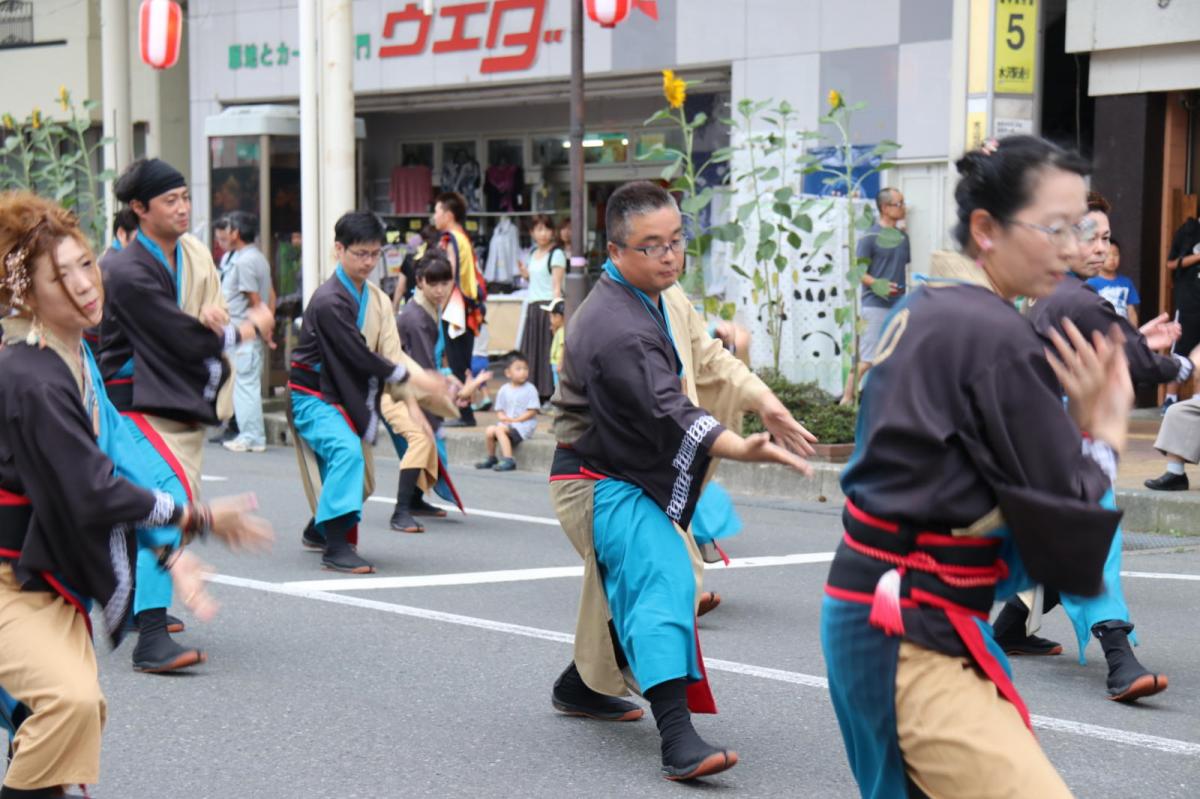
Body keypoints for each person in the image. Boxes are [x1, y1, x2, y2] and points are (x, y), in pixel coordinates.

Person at [823, 136, 1132, 798]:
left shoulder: (928, 305)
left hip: (877, 608)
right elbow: (1063, 516)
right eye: (1056, 228)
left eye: (1081, 229)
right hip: (911, 628)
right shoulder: (993, 332)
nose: (1073, 249)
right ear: (987, 229)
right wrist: (1101, 431)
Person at [0, 191, 273, 798]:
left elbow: (114, 457)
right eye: (59, 276)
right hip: (9, 580)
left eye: (84, 264)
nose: (83, 284)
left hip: (39, 576)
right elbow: (92, 489)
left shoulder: (73, 357)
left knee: (70, 720)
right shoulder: (31, 374)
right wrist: (196, 517)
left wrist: (170, 547)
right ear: (25, 292)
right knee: (65, 706)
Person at [547, 181, 815, 781]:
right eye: (652, 246)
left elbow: (710, 357)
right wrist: (740, 447)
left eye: (676, 241)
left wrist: (764, 400)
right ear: (616, 251)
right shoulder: (614, 328)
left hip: (630, 467)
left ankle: (581, 684)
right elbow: (668, 409)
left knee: (640, 583)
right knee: (665, 574)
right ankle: (676, 737)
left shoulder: (661, 294)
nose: (670, 256)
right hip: (595, 478)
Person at [992, 192, 1181, 701]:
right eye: (1090, 236)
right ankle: (1119, 656)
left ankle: (1010, 627)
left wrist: (1137, 341)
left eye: (1105, 238)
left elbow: (1109, 349)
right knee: (1092, 534)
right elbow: (1126, 359)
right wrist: (1181, 364)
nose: (1101, 247)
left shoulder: (1063, 292)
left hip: (1053, 434)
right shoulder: (1066, 294)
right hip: (1049, 438)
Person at [97, 158, 274, 673]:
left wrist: (208, 319)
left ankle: (137, 607)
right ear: (138, 208)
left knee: (154, 507)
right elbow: (174, 335)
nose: (182, 208)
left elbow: (183, 322)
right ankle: (151, 636)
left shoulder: (183, 254)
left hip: (166, 397)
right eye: (169, 200)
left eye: (185, 198)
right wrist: (245, 327)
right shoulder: (126, 268)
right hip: (129, 402)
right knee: (166, 500)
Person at [287, 211, 449, 574]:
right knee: (347, 455)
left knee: (361, 480)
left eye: (375, 254)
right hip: (313, 395)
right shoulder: (328, 300)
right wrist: (417, 380)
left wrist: (418, 395)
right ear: (339, 250)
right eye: (360, 253)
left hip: (346, 392)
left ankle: (319, 530)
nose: (369, 262)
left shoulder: (376, 298)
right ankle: (336, 548)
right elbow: (358, 355)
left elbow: (392, 353)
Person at [383, 251, 478, 534]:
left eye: (445, 283)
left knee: (426, 443)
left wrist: (449, 381)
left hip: (411, 385)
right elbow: (423, 369)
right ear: (420, 281)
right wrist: (450, 390)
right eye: (433, 283)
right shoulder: (415, 317)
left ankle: (413, 500)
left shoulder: (427, 309)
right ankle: (400, 511)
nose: (440, 290)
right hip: (395, 389)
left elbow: (427, 367)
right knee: (421, 440)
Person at [840, 187, 910, 405]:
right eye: (899, 204)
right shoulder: (870, 237)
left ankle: (885, 403)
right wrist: (878, 285)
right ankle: (846, 401)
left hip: (899, 304)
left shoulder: (903, 237)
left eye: (903, 203)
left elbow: (902, 267)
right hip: (875, 305)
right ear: (884, 208)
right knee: (867, 358)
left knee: (894, 357)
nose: (903, 208)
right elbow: (858, 272)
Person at [221, 211, 275, 454]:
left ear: (236, 233)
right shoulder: (256, 257)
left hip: (245, 333)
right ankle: (251, 435)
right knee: (246, 384)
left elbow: (254, 299)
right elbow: (270, 295)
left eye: (229, 229)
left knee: (245, 386)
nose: (226, 233)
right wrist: (267, 328)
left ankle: (251, 437)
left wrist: (261, 328)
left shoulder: (244, 261)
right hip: (247, 333)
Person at [433, 191, 484, 428]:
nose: (434, 216)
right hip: (466, 307)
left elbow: (449, 275)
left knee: (457, 361)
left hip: (455, 307)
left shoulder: (451, 238)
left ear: (448, 215)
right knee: (461, 359)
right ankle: (464, 411)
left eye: (437, 211)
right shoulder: (463, 237)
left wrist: (440, 302)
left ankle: (464, 413)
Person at [517, 215, 565, 402]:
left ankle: (549, 394)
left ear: (552, 232)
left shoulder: (556, 254)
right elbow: (536, 280)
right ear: (532, 233)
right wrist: (525, 274)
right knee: (533, 351)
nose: (543, 233)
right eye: (539, 229)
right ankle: (534, 392)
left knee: (547, 352)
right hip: (533, 307)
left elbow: (556, 287)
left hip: (547, 308)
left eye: (547, 229)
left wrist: (556, 314)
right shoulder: (532, 253)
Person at [474, 352, 539, 472]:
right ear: (508, 373)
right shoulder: (504, 389)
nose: (523, 372)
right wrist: (503, 417)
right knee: (490, 430)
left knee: (499, 430)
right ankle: (491, 457)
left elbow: (532, 411)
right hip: (508, 425)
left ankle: (509, 459)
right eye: (518, 369)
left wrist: (515, 420)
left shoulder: (530, 389)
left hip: (523, 427)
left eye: (525, 368)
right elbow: (500, 410)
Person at [1162, 216, 1200, 412]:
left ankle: (1197, 400)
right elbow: (1170, 263)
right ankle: (1170, 399)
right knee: (1180, 349)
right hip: (1189, 302)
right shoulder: (1188, 230)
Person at [1086, 238, 1140, 324]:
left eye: (1115, 254)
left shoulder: (1126, 283)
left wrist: (1133, 331)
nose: (1112, 258)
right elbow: (1088, 312)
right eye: (1107, 255)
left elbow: (1131, 312)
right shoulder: (1091, 283)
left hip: (1124, 329)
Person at [545, 297, 565, 390]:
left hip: (558, 363)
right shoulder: (560, 330)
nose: (551, 320)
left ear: (559, 317)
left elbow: (563, 347)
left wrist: (560, 363)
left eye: (552, 316)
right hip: (555, 362)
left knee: (558, 386)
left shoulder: (562, 331)